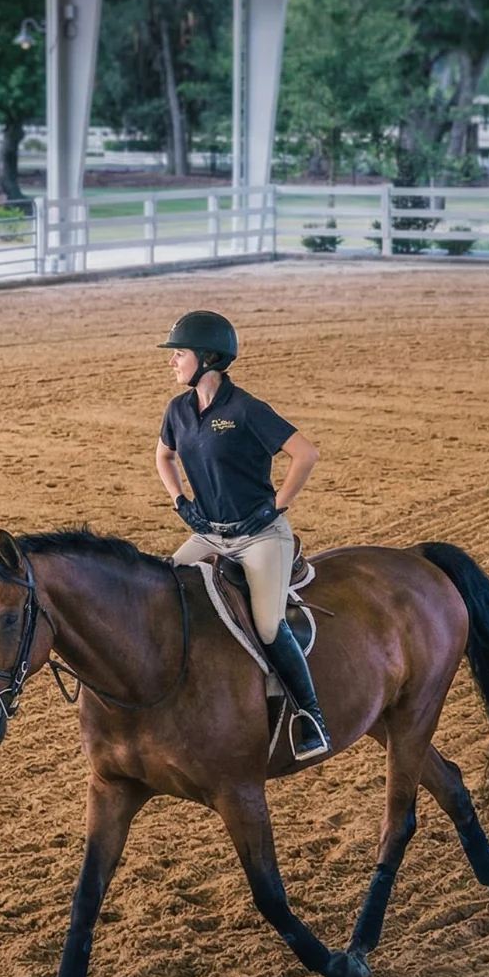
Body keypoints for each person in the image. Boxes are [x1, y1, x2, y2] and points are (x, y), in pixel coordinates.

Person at [154, 311, 330, 760]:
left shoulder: (246, 409)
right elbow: (164, 457)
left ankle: (310, 715)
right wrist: (180, 502)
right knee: (163, 589)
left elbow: (305, 455)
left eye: (180, 354)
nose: (172, 362)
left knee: (268, 624)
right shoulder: (178, 410)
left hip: (261, 537)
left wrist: (276, 505)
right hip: (210, 534)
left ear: (208, 358)